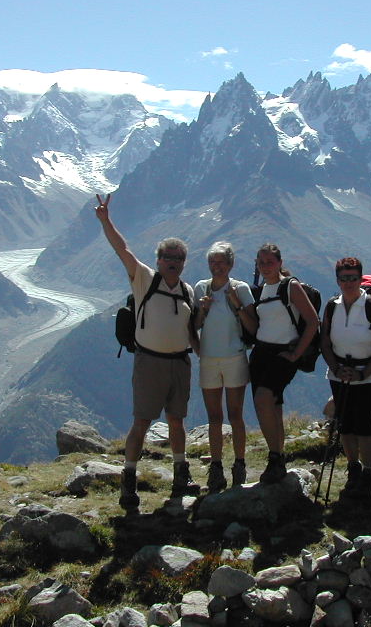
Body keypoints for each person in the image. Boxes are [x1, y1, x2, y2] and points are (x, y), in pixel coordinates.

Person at [94, 193, 200, 511]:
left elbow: (192, 331)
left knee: (177, 421)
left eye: (178, 258)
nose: (172, 262)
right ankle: (129, 481)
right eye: (167, 257)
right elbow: (122, 249)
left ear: (183, 262)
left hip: (179, 362)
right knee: (141, 422)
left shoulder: (188, 291)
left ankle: (180, 474)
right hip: (150, 362)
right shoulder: (144, 279)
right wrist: (105, 221)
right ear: (158, 260)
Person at [242, 243, 320, 483]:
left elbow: (313, 321)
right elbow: (257, 327)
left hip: (284, 353)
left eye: (270, 262)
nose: (265, 266)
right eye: (261, 262)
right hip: (260, 353)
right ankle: (277, 458)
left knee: (263, 399)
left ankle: (275, 457)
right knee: (271, 406)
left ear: (279, 262)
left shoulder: (291, 286)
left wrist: (297, 354)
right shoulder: (262, 290)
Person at [320, 257, 371, 500]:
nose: (348, 282)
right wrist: (336, 368)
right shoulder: (332, 306)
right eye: (344, 278)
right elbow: (325, 342)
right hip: (339, 373)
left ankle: (368, 476)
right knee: (345, 423)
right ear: (338, 280)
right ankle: (354, 469)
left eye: (353, 277)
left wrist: (365, 372)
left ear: (360, 278)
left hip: (366, 374)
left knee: (365, 425)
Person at [193, 241, 257, 491]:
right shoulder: (201, 288)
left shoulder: (240, 289)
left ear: (230, 264)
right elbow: (195, 325)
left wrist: (237, 304)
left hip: (234, 357)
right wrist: (203, 310)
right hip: (209, 359)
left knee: (235, 414)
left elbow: (253, 327)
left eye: (220, 262)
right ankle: (217, 466)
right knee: (214, 417)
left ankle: (239, 463)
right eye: (212, 262)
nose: (216, 266)